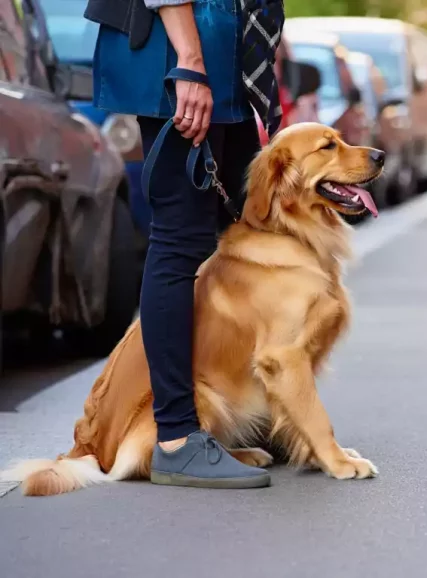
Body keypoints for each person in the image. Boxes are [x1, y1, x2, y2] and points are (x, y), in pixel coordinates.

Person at [84, 0, 284, 488]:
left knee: (249, 231)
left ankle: (250, 409)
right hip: (180, 54)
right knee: (180, 241)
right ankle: (175, 436)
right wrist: (189, 63)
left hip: (220, 58)